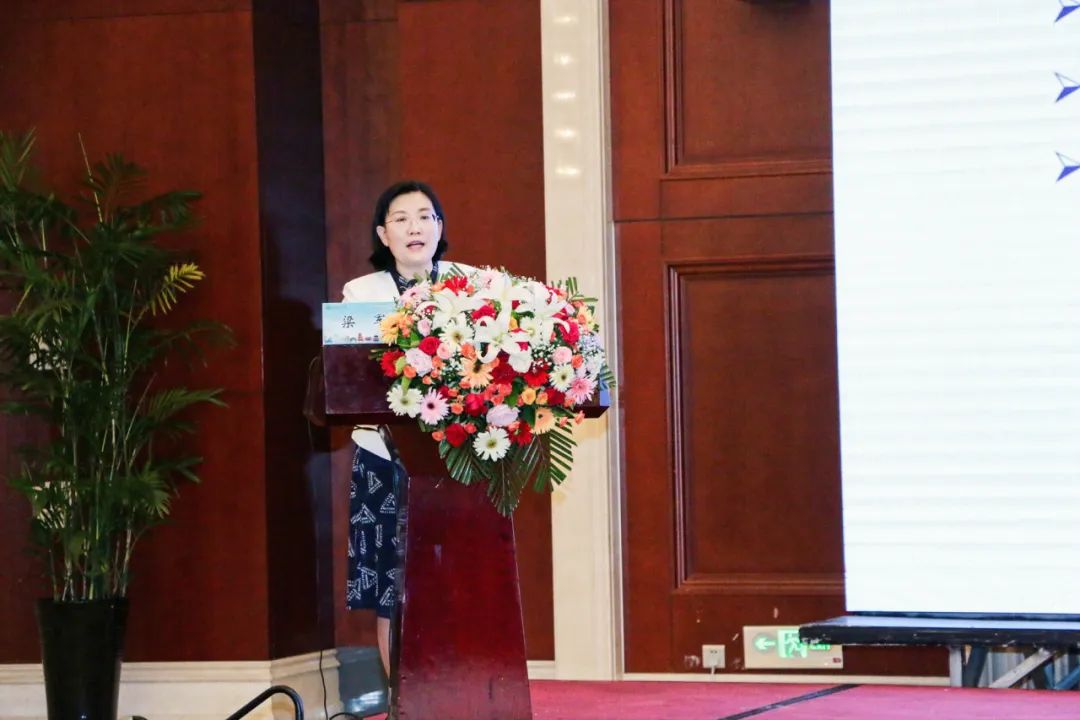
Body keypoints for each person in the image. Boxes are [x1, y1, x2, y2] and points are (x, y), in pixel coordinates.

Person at [341, 180, 474, 678]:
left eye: (424, 216)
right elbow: (354, 376)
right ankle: (405, 699)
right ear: (384, 234)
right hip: (385, 458)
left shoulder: (475, 286)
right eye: (400, 219)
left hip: (459, 457)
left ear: (439, 227)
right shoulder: (361, 293)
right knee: (390, 590)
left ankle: (459, 693)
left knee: (460, 581)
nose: (414, 227)